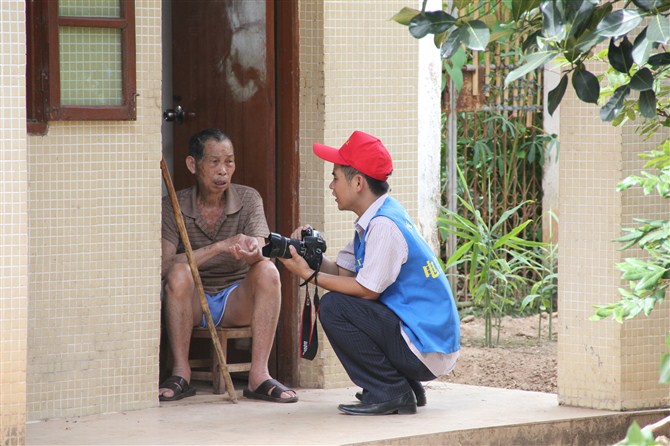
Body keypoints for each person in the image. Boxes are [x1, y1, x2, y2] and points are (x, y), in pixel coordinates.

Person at [279, 130, 459, 415]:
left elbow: (366, 291)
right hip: (424, 341)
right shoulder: (376, 218)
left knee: (334, 307)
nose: (331, 186)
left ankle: (390, 391)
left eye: (336, 177)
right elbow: (344, 274)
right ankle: (407, 388)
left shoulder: (383, 226)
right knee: (341, 302)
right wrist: (307, 256)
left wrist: (309, 276)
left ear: (358, 182)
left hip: (426, 349)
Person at [160, 128, 297, 403]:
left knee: (268, 271)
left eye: (229, 162)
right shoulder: (172, 205)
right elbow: (163, 265)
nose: (223, 170)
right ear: (192, 164)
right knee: (178, 273)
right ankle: (180, 373)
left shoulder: (248, 199)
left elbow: (263, 251)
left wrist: (252, 252)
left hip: (236, 299)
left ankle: (259, 376)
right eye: (214, 162)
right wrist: (220, 247)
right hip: (191, 301)